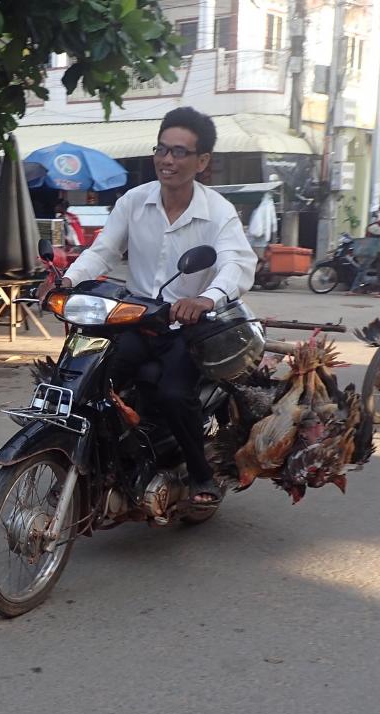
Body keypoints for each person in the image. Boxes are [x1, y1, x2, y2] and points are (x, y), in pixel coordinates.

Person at [61, 106, 256, 508]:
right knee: (90, 376)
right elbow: (103, 251)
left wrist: (205, 298)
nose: (168, 160)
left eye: (180, 152)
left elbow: (237, 263)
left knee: (172, 392)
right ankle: (101, 456)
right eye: (162, 150)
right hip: (135, 318)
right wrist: (66, 280)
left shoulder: (217, 212)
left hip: (188, 327)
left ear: (202, 162)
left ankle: (200, 472)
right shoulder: (134, 201)